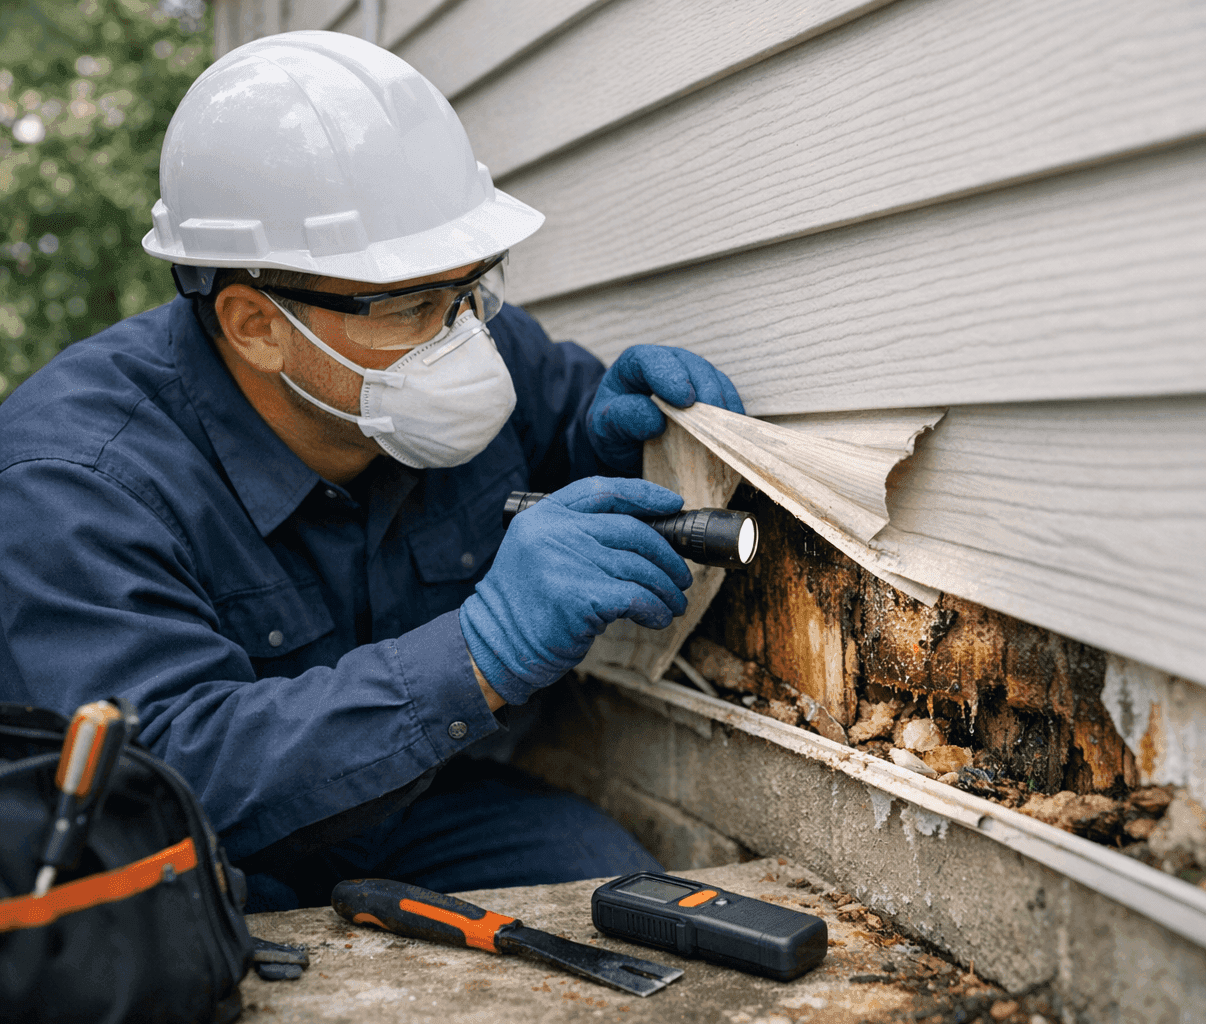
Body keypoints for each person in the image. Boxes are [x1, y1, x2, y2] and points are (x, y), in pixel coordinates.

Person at [0, 31, 744, 910]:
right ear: (254, 325)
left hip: (421, 798)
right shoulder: (74, 483)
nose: (461, 338)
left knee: (622, 901)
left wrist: (612, 450)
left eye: (472, 290)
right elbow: (166, 772)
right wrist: (478, 656)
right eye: (411, 307)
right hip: (203, 860)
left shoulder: (470, 348)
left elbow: (560, 435)